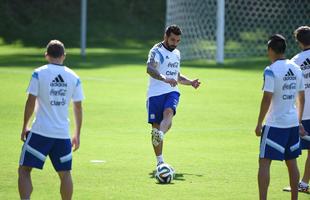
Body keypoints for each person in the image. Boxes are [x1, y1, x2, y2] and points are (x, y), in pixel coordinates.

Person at [18, 40, 84, 200]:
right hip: (62, 134)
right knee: (65, 174)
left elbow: (30, 102)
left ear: (46, 55)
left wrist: (24, 126)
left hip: (40, 132)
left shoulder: (38, 73)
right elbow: (78, 107)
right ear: (64, 56)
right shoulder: (74, 77)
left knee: (24, 170)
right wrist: (77, 134)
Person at [255, 34, 307, 200]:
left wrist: (259, 123)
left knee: (264, 161)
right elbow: (302, 97)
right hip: (292, 123)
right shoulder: (296, 68)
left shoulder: (270, 70)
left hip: (275, 124)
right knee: (292, 162)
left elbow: (267, 98)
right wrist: (299, 122)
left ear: (270, 50)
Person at [146, 25, 201, 167]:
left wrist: (190, 82)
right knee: (155, 128)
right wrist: (164, 78)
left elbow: (176, 75)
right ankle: (160, 162)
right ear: (165, 36)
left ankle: (161, 134)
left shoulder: (177, 53)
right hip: (155, 93)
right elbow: (150, 68)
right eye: (172, 40)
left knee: (169, 112)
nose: (174, 43)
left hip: (172, 91)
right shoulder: (156, 50)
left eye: (177, 41)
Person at [290, 26, 310, 193]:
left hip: (302, 112)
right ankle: (303, 183)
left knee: (291, 151)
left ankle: (299, 183)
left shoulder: (296, 60)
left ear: (298, 42)